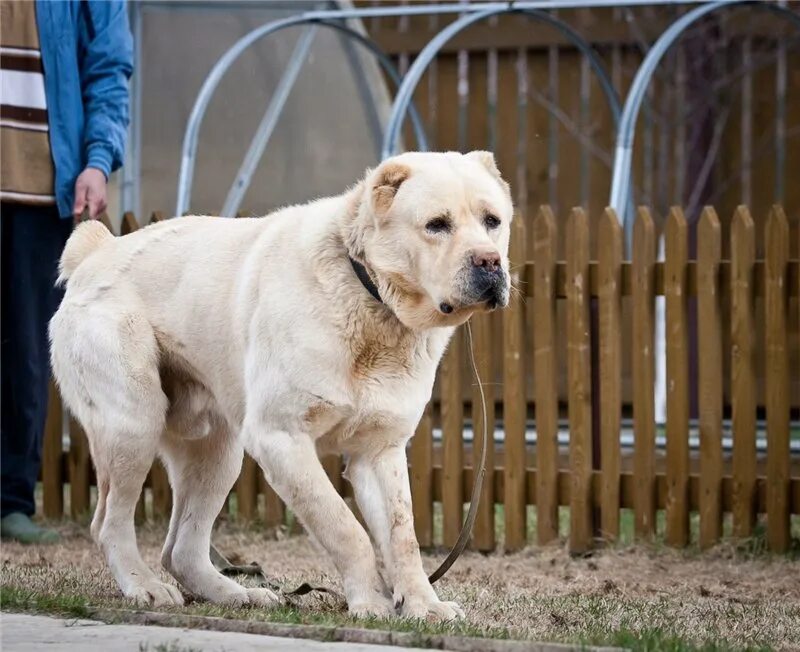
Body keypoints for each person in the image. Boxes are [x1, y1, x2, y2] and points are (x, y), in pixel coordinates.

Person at [1, 0, 133, 543]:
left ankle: (11, 500)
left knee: (25, 351)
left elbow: (108, 68)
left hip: (37, 190)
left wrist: (97, 161)